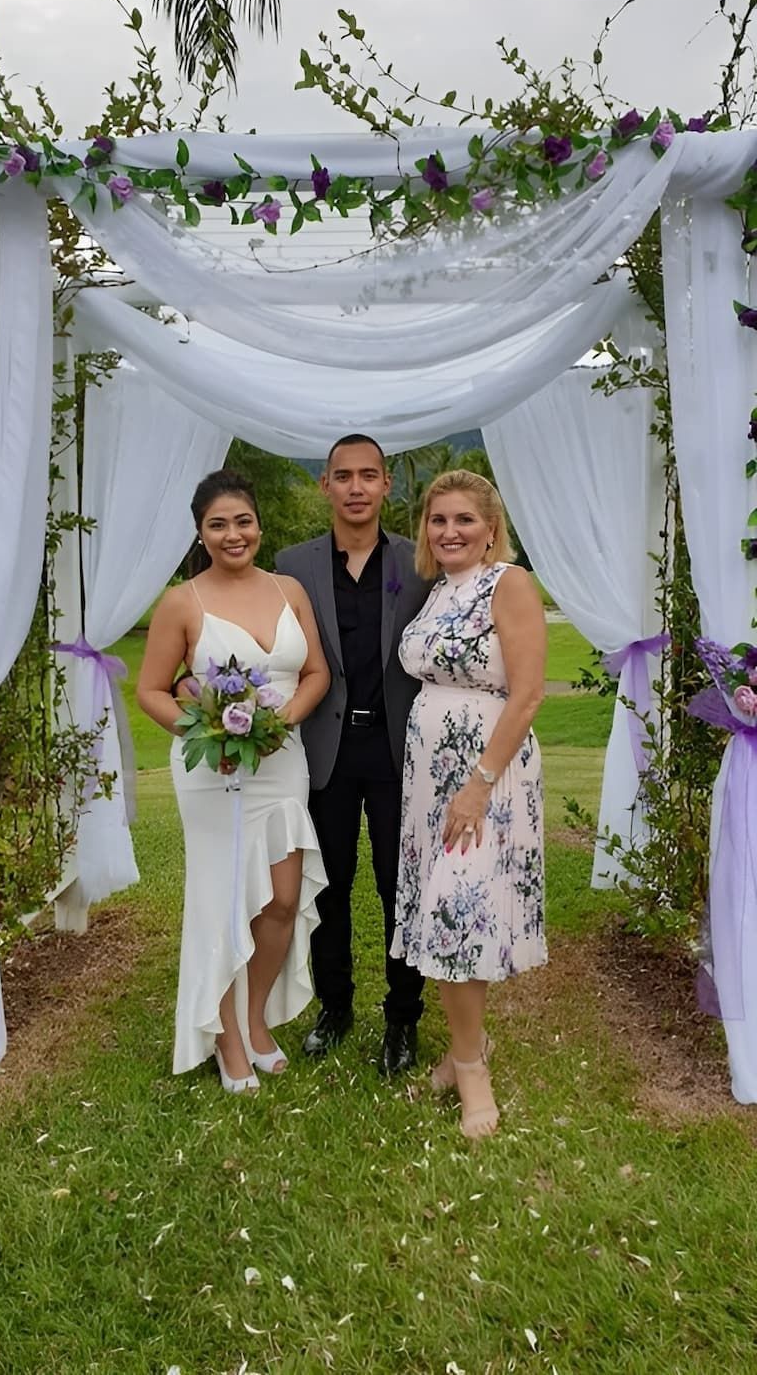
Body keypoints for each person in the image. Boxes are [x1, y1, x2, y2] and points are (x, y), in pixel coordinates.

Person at [137, 468, 330, 1091]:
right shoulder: (181, 602)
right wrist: (208, 734)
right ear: (201, 533)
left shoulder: (289, 589)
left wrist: (285, 721)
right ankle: (225, 1038)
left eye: (242, 521)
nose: (233, 534)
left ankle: (254, 1018)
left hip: (282, 760)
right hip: (215, 771)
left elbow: (316, 674)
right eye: (218, 525)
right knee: (221, 899)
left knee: (280, 898)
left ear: (258, 524)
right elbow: (150, 691)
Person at [391, 469, 546, 1139]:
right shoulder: (436, 593)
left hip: (486, 773)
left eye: (464, 521)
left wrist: (479, 784)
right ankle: (465, 1054)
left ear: (490, 530)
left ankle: (471, 1067)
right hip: (428, 776)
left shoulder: (506, 583)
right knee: (443, 909)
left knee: (459, 912)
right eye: (438, 519)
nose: (449, 531)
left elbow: (529, 693)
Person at [276, 434, 431, 1074]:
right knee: (327, 889)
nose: (357, 487)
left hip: (400, 752)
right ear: (326, 485)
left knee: (403, 889)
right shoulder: (293, 564)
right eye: (344, 476)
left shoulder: (420, 562)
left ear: (387, 483)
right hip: (324, 751)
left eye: (370, 475)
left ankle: (402, 1019)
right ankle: (335, 1007)